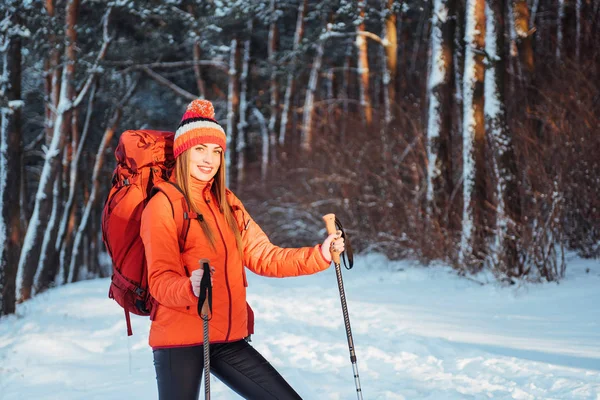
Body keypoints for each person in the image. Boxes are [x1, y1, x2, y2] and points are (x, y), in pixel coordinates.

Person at [140, 99, 345, 400]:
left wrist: (321, 254)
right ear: (183, 152)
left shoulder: (227, 203)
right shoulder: (163, 205)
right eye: (200, 149)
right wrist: (189, 287)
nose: (209, 159)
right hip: (178, 338)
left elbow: (264, 256)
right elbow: (159, 280)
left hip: (224, 336)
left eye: (216, 151)